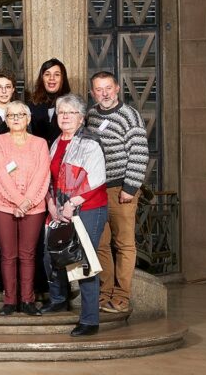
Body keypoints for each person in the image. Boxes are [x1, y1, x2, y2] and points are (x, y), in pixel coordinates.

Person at [41, 94, 108, 338]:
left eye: (71, 113)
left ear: (82, 118)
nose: (65, 116)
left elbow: (96, 178)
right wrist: (50, 202)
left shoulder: (90, 141)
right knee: (51, 254)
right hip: (57, 208)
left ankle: (90, 320)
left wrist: (71, 204)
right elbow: (49, 177)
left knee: (83, 261)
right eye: (61, 112)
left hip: (88, 208)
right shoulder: (56, 142)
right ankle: (59, 298)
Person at [87, 71, 149, 315]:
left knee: (124, 244)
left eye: (108, 88)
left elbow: (140, 152)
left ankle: (122, 297)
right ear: (93, 92)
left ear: (116, 89)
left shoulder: (129, 115)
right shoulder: (91, 115)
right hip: (96, 190)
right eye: (99, 89)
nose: (104, 94)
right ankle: (105, 291)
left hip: (120, 188)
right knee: (100, 243)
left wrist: (130, 188)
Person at [0, 100, 50, 316]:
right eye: (11, 115)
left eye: (20, 114)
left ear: (29, 118)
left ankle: (27, 300)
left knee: (28, 254)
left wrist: (27, 202)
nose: (16, 118)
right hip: (3, 205)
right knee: (8, 254)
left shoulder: (40, 143)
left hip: (33, 206)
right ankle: (10, 301)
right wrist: (17, 201)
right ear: (5, 119)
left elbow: (43, 173)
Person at [27, 59, 72, 144]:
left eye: (57, 75)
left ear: (63, 78)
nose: (52, 78)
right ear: (42, 78)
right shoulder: (32, 104)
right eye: (47, 74)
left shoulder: (72, 104)